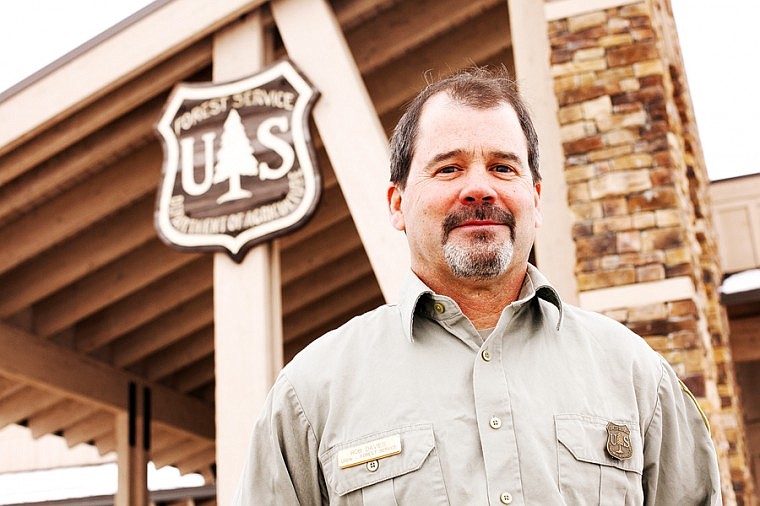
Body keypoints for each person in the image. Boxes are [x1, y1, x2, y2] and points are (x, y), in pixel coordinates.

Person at [233, 67, 722, 505]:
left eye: (504, 167)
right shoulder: (311, 393)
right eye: (448, 168)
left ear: (535, 197)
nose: (480, 188)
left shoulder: (637, 376)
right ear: (397, 204)